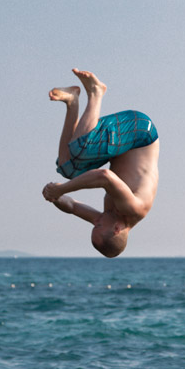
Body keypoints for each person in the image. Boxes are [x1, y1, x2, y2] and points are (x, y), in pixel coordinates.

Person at [42, 69, 159, 257]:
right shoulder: (133, 208)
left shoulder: (109, 218)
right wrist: (62, 190)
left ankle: (72, 101)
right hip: (141, 133)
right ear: (117, 229)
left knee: (68, 168)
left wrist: (53, 196)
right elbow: (105, 176)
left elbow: (71, 206)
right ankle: (96, 92)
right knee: (81, 150)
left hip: (123, 145)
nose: (96, 220)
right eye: (97, 224)